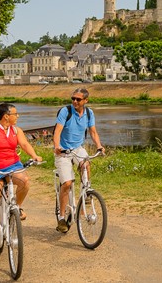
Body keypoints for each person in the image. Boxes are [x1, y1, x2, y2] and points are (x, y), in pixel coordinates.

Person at [0, 103, 43, 257]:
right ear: (6, 116)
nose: (17, 116)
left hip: (12, 165)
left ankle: (17, 207)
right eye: (15, 114)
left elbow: (24, 144)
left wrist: (34, 156)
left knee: (25, 181)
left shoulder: (16, 130)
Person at [52, 88, 105, 233]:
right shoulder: (65, 111)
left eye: (78, 99)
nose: (75, 101)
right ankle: (62, 218)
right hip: (63, 151)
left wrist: (99, 146)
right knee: (67, 183)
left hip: (77, 148)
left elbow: (93, 132)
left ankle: (85, 193)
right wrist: (57, 146)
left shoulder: (89, 113)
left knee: (86, 164)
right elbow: (57, 131)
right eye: (73, 98)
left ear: (86, 100)